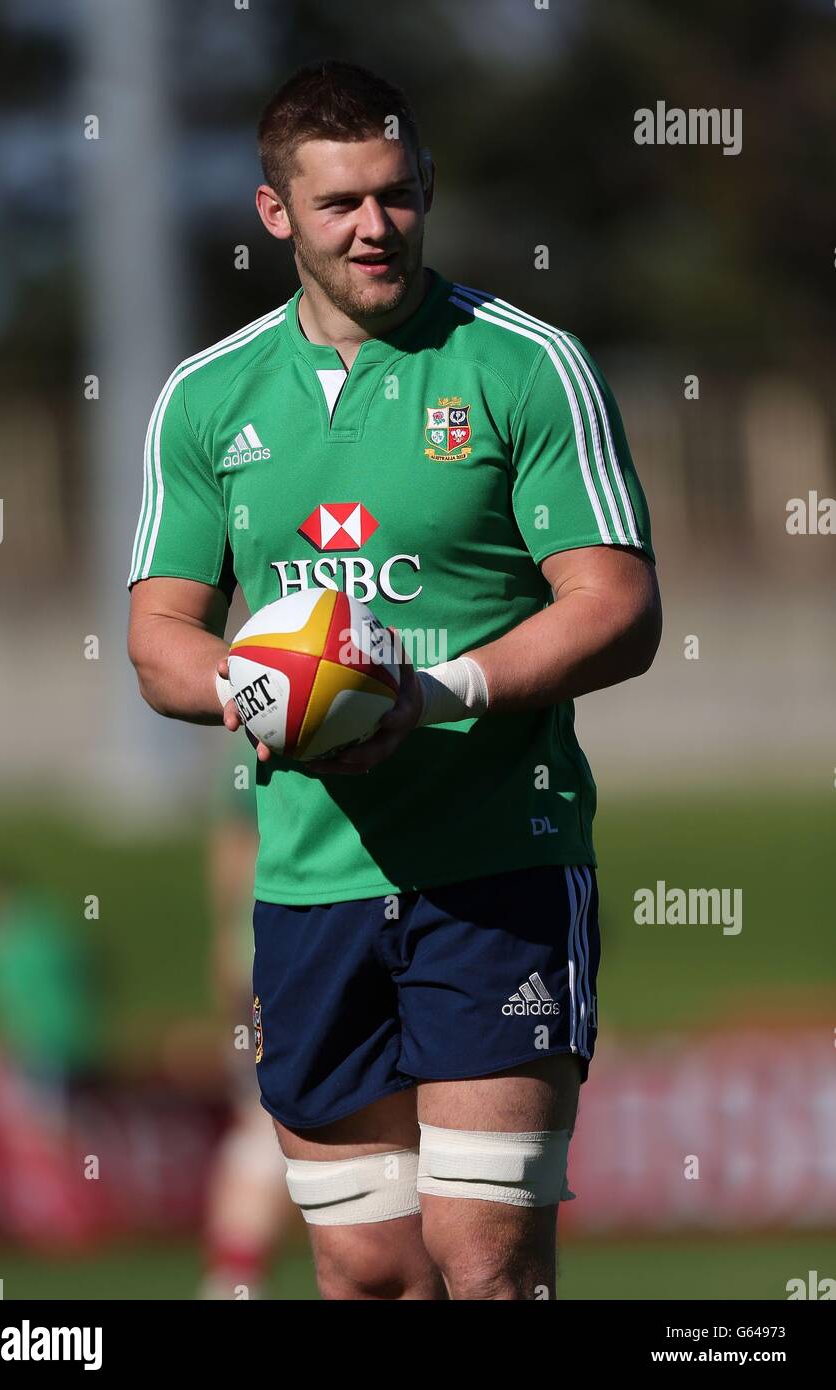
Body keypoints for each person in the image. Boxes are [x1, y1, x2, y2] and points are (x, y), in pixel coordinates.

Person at [128, 59, 662, 1300]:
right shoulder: (207, 399)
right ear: (276, 215)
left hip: (499, 869)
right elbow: (160, 635)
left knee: (484, 1262)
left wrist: (435, 693)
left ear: (426, 187)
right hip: (311, 884)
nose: (377, 227)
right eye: (340, 205)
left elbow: (619, 608)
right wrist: (258, 692)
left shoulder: (525, 364)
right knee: (367, 1269)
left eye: (399, 195)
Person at [199, 736, 290, 1300]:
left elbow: (232, 849)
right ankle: (234, 1280)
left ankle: (232, 1279)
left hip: (263, 956)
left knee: (261, 1126)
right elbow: (234, 846)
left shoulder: (266, 719)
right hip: (283, 958)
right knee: (266, 1127)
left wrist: (227, 947)